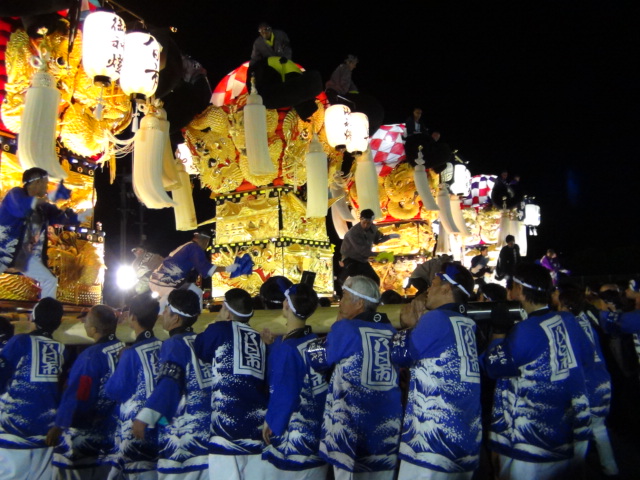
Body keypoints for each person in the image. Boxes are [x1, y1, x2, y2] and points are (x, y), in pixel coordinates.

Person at [482, 263, 595, 480]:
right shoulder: (569, 320)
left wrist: (498, 333)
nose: (508, 291)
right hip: (571, 430)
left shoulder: (526, 330)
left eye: (510, 286)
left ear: (521, 291)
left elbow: (494, 366)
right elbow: (588, 359)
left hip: (533, 439)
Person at [392, 263, 482, 480]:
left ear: (446, 288)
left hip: (432, 442)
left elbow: (398, 354)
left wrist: (409, 326)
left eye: (432, 284)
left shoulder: (436, 319)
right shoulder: (468, 323)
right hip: (463, 435)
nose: (427, 291)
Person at [308, 275, 402, 480]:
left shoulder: (346, 328)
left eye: (344, 297)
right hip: (387, 423)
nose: (340, 302)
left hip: (351, 425)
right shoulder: (390, 330)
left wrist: (335, 326)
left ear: (359, 303)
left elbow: (317, 360)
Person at [133, 289, 212, 480]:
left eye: (166, 310)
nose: (162, 315)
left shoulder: (174, 344)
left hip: (184, 440)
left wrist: (145, 416)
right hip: (208, 437)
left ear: (175, 319)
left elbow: (170, 382)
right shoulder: (200, 340)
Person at [194, 288, 267, 480]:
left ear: (226, 309)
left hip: (225, 428)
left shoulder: (219, 330)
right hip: (256, 426)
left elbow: (200, 348)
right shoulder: (258, 338)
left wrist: (217, 320)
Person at [47, 305, 125, 479]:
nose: (83, 324)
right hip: (115, 432)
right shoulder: (123, 348)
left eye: (86, 321)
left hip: (89, 433)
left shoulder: (91, 356)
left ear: (93, 329)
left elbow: (80, 394)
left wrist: (60, 424)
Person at [261, 283, 328, 479]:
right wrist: (272, 347)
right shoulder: (315, 340)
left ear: (286, 305)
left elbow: (286, 392)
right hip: (317, 430)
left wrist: (272, 421)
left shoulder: (288, 348)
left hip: (296, 438)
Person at [0, 297, 67, 480]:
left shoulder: (20, 342)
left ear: (33, 317)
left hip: (13, 434)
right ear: (59, 322)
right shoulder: (61, 348)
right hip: (46, 433)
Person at [557, 287, 619, 477]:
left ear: (565, 305)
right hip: (603, 380)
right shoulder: (585, 320)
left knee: (580, 432)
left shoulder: (568, 326)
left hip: (587, 384)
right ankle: (611, 468)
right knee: (599, 429)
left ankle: (575, 472)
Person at [104, 292, 162, 479]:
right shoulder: (164, 346)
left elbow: (115, 391)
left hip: (137, 430)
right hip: (162, 426)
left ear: (132, 318)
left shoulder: (130, 354)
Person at [0, 167, 79, 299]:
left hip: (22, 257)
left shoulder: (43, 208)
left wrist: (71, 216)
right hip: (3, 249)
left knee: (49, 280)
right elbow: (22, 209)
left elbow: (59, 217)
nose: (47, 187)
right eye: (46, 183)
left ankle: (44, 317)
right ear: (36, 182)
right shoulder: (15, 194)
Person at [149, 232, 238, 307]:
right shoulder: (194, 248)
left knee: (196, 291)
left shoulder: (187, 246)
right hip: (166, 282)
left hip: (157, 279)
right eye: (207, 242)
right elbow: (207, 269)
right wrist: (228, 268)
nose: (206, 245)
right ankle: (192, 315)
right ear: (205, 241)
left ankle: (193, 314)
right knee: (173, 300)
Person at [339, 209, 400, 287]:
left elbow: (377, 240)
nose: (366, 225)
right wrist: (379, 254)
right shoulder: (353, 233)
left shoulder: (373, 228)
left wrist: (390, 236)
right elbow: (363, 251)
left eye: (368, 223)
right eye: (364, 222)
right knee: (351, 281)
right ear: (360, 219)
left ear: (372, 221)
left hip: (362, 260)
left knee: (375, 280)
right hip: (351, 259)